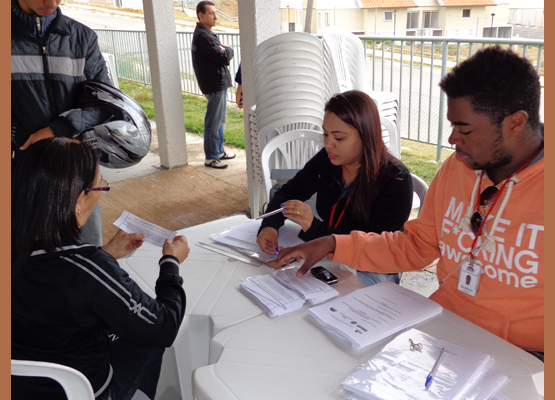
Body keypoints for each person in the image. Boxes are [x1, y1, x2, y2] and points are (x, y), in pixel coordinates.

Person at [275, 47, 544, 355]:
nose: (452, 139)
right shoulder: (458, 169)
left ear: (515, 124)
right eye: (453, 125)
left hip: (526, 353)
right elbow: (415, 246)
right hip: (446, 325)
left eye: (465, 129)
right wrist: (334, 243)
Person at [11, 137, 190, 400]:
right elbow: (163, 327)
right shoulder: (87, 266)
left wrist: (106, 254)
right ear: (78, 201)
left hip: (20, 383)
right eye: (100, 186)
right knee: (146, 341)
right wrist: (171, 264)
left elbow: (61, 289)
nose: (101, 192)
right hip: (82, 390)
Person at [257, 90, 413, 286]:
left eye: (339, 138)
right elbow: (289, 193)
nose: (329, 144)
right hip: (329, 256)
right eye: (325, 133)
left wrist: (312, 226)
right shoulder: (328, 160)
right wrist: (270, 225)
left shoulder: (395, 179)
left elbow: (373, 247)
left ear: (366, 136)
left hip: (372, 269)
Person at [11, 0, 114, 246]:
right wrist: (18, 135)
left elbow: (105, 101)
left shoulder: (82, 37)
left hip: (78, 168)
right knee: (28, 252)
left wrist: (59, 129)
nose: (52, 3)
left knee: (87, 247)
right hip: (23, 167)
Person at [192, 0, 236, 169]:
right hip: (214, 84)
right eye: (211, 13)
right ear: (201, 15)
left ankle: (218, 151)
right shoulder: (204, 36)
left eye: (215, 13)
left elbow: (221, 54)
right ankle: (211, 157)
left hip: (218, 83)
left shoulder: (206, 34)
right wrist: (228, 50)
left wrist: (225, 50)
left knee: (220, 120)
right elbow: (224, 57)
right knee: (213, 121)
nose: (216, 17)